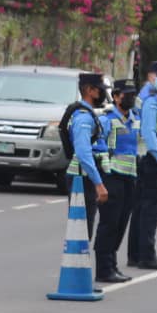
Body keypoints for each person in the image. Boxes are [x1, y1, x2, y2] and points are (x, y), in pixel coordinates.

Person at [130, 60, 157, 271]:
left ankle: (136, 254)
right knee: (151, 209)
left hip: (143, 157)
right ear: (150, 76)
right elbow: (149, 132)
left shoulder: (144, 96)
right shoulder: (152, 101)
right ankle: (146, 256)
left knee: (141, 208)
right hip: (152, 159)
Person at [95, 80, 139, 285]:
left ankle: (112, 265)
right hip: (111, 177)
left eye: (133, 94)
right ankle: (104, 268)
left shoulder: (134, 119)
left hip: (129, 178)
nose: (130, 98)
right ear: (116, 96)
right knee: (109, 224)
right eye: (126, 94)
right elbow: (98, 144)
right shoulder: (106, 120)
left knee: (121, 223)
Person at [63, 72, 108, 249]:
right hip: (81, 178)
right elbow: (83, 152)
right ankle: (76, 269)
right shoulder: (83, 116)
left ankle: (78, 267)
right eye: (100, 90)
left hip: (82, 176)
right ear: (90, 90)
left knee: (83, 228)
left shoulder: (87, 113)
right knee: (81, 229)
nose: (102, 94)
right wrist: (98, 183)